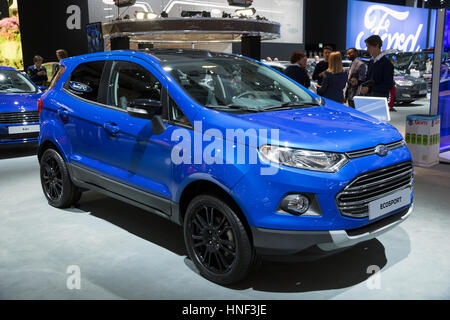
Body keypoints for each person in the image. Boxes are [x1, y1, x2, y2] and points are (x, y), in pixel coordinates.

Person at [360, 35, 395, 111]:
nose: (367, 49)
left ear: (377, 45)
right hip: (368, 99)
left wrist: (369, 89)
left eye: (369, 47)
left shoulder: (386, 64)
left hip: (379, 101)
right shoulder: (371, 61)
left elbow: (388, 85)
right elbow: (369, 79)